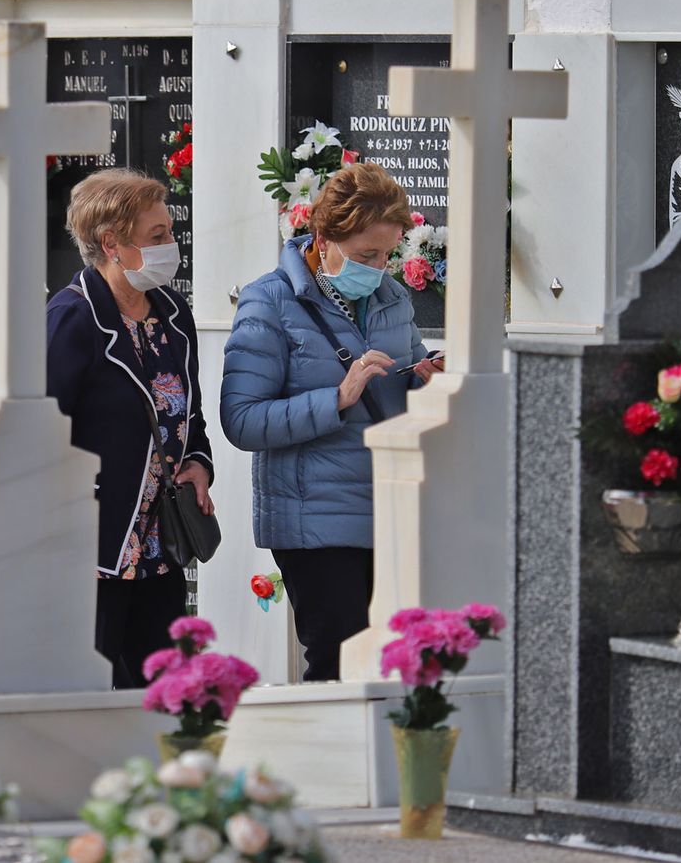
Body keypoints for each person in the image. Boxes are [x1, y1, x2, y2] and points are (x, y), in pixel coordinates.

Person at [221, 163, 443, 681]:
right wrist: (338, 399)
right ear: (324, 240)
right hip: (315, 522)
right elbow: (243, 419)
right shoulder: (269, 300)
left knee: (393, 669)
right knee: (338, 667)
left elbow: (399, 384)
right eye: (366, 255)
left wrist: (426, 377)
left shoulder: (392, 297)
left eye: (388, 253)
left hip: (388, 510)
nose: (379, 266)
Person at [47, 168, 216, 688]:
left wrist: (198, 463)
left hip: (160, 544)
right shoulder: (72, 318)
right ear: (110, 243)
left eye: (170, 231)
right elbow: (45, 428)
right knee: (90, 691)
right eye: (157, 235)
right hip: (95, 545)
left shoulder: (170, 312)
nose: (171, 244)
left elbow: (189, 410)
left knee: (166, 690)